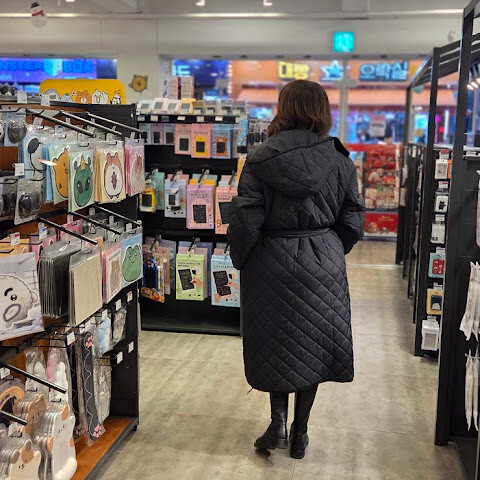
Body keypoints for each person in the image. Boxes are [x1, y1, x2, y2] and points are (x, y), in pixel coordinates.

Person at [227, 80, 366, 459]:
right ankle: (300, 433)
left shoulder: (260, 158)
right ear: (322, 111)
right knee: (312, 347)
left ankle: (276, 424)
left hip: (271, 262)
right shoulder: (340, 159)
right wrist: (331, 248)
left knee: (277, 344)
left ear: (283, 107)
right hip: (324, 263)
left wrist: (241, 258)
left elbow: (247, 220)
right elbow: (353, 218)